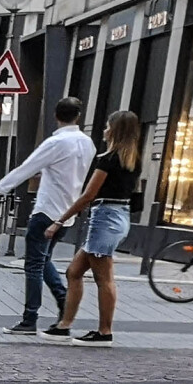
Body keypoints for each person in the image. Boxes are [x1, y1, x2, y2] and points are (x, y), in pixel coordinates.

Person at [0, 97, 94, 334]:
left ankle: (30, 318)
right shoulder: (88, 144)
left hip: (47, 211)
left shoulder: (55, 143)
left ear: (56, 116)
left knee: (34, 265)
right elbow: (69, 173)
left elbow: (24, 169)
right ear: (78, 116)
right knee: (43, 259)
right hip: (67, 214)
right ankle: (63, 302)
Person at [48, 110, 142, 343]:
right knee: (74, 272)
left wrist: (59, 220)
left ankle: (104, 332)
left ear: (115, 130)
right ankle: (65, 325)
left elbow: (89, 194)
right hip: (118, 216)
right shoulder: (133, 159)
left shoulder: (108, 159)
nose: (105, 130)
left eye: (108, 126)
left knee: (104, 277)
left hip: (104, 218)